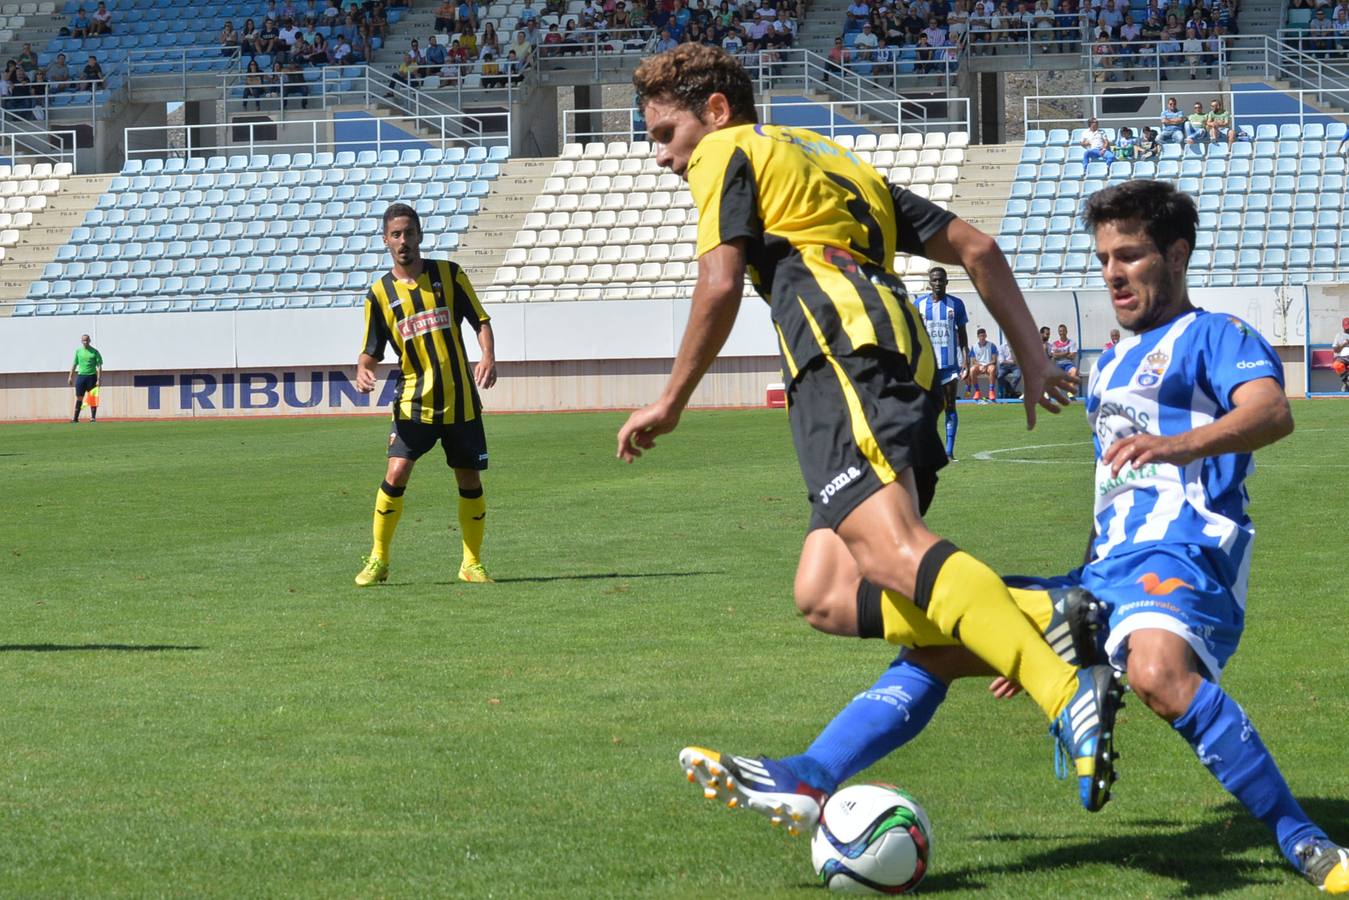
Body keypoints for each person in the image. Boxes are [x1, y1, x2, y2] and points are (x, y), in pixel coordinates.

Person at [682, 180, 1349, 897]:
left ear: (1176, 254)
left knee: (1157, 675)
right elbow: (1112, 500)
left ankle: (1303, 839)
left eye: (1128, 256)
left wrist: (1175, 444)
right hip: (1103, 572)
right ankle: (811, 776)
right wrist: (1034, 640)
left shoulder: (1216, 335)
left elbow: (1270, 411)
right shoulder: (1112, 364)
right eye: (1101, 259)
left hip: (1184, 556)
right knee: (937, 646)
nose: (1111, 274)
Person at [621, 43, 1122, 822]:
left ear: (714, 111)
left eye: (662, 133)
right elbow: (975, 247)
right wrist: (1029, 355)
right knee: (825, 593)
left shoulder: (729, 148)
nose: (661, 157)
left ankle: (1062, 682)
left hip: (841, 355)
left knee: (895, 555)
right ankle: (1039, 615)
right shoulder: (828, 158)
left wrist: (670, 400)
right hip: (900, 363)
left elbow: (719, 282)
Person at [353, 203, 498, 587]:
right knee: (396, 471)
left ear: (420, 235)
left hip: (460, 400)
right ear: (385, 241)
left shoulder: (449, 275)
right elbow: (371, 348)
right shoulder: (379, 294)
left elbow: (479, 320)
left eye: (409, 232)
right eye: (396, 234)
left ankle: (471, 563)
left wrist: (488, 355)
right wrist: (363, 367)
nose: (403, 241)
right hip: (413, 401)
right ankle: (379, 559)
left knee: (468, 477)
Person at [913, 267, 969, 458]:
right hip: (926, 366)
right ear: (930, 282)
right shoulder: (918, 304)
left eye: (941, 280)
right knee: (925, 409)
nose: (938, 283)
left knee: (950, 405)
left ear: (947, 282)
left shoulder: (956, 305)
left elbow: (962, 335)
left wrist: (966, 361)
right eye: (934, 280)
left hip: (950, 366)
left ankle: (949, 451)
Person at [68, 334, 103, 423]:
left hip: (92, 376)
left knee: (92, 397)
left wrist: (99, 379)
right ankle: (75, 418)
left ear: (89, 341)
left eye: (87, 340)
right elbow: (74, 364)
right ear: (81, 341)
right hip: (81, 376)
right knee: (79, 397)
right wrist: (70, 376)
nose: (85, 342)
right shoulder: (78, 351)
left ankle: (93, 418)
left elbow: (99, 366)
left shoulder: (94, 352)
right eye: (83, 340)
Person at [966, 326, 998, 402]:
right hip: (979, 366)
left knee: (992, 368)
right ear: (978, 337)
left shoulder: (992, 345)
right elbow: (973, 361)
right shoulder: (974, 347)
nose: (982, 337)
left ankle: (991, 391)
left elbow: (994, 360)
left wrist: (986, 365)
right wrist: (980, 365)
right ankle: (976, 391)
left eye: (983, 335)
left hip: (989, 365)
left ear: (986, 335)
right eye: (980, 336)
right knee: (971, 370)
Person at [1050, 322, 1079, 389]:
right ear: (1058, 332)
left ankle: (1070, 392)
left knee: (1074, 371)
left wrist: (1059, 353)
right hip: (1058, 365)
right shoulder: (1055, 343)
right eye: (1060, 331)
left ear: (1066, 331)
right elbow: (1054, 356)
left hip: (1068, 364)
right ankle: (1057, 396)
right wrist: (1066, 353)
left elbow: (1072, 356)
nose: (1062, 333)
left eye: (1063, 331)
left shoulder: (1072, 343)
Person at [1332, 316, 1349, 392]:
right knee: (1336, 365)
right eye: (1346, 327)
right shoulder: (1339, 335)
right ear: (1343, 326)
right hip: (1342, 357)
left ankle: (1346, 381)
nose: (1347, 329)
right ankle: (1346, 380)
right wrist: (1344, 344)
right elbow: (1335, 350)